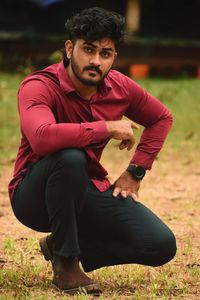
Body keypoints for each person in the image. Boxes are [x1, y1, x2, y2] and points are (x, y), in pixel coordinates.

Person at [8, 7, 176, 295]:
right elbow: (42, 138)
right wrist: (106, 128)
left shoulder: (119, 87)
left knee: (159, 245)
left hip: (83, 189)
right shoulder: (38, 86)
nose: (96, 61)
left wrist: (136, 171)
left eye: (106, 53)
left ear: (114, 57)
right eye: (88, 50)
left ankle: (61, 243)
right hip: (33, 196)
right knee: (69, 157)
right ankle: (66, 262)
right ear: (70, 48)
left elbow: (161, 118)